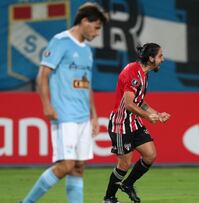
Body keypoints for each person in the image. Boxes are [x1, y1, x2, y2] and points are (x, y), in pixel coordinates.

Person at [20, 3, 108, 203]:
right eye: (96, 27)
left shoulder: (87, 51)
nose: (97, 33)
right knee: (66, 165)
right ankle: (26, 202)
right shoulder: (60, 41)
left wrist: (94, 115)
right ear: (85, 21)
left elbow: (87, 85)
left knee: (78, 166)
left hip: (83, 116)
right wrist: (46, 105)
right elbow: (42, 75)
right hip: (64, 114)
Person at [102, 43, 170, 203]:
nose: (163, 59)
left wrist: (157, 114)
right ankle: (109, 198)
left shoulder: (143, 74)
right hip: (120, 124)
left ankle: (127, 184)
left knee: (150, 155)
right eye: (160, 56)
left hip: (133, 122)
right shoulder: (134, 74)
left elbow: (139, 101)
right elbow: (128, 104)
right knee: (124, 162)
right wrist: (148, 117)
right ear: (151, 58)